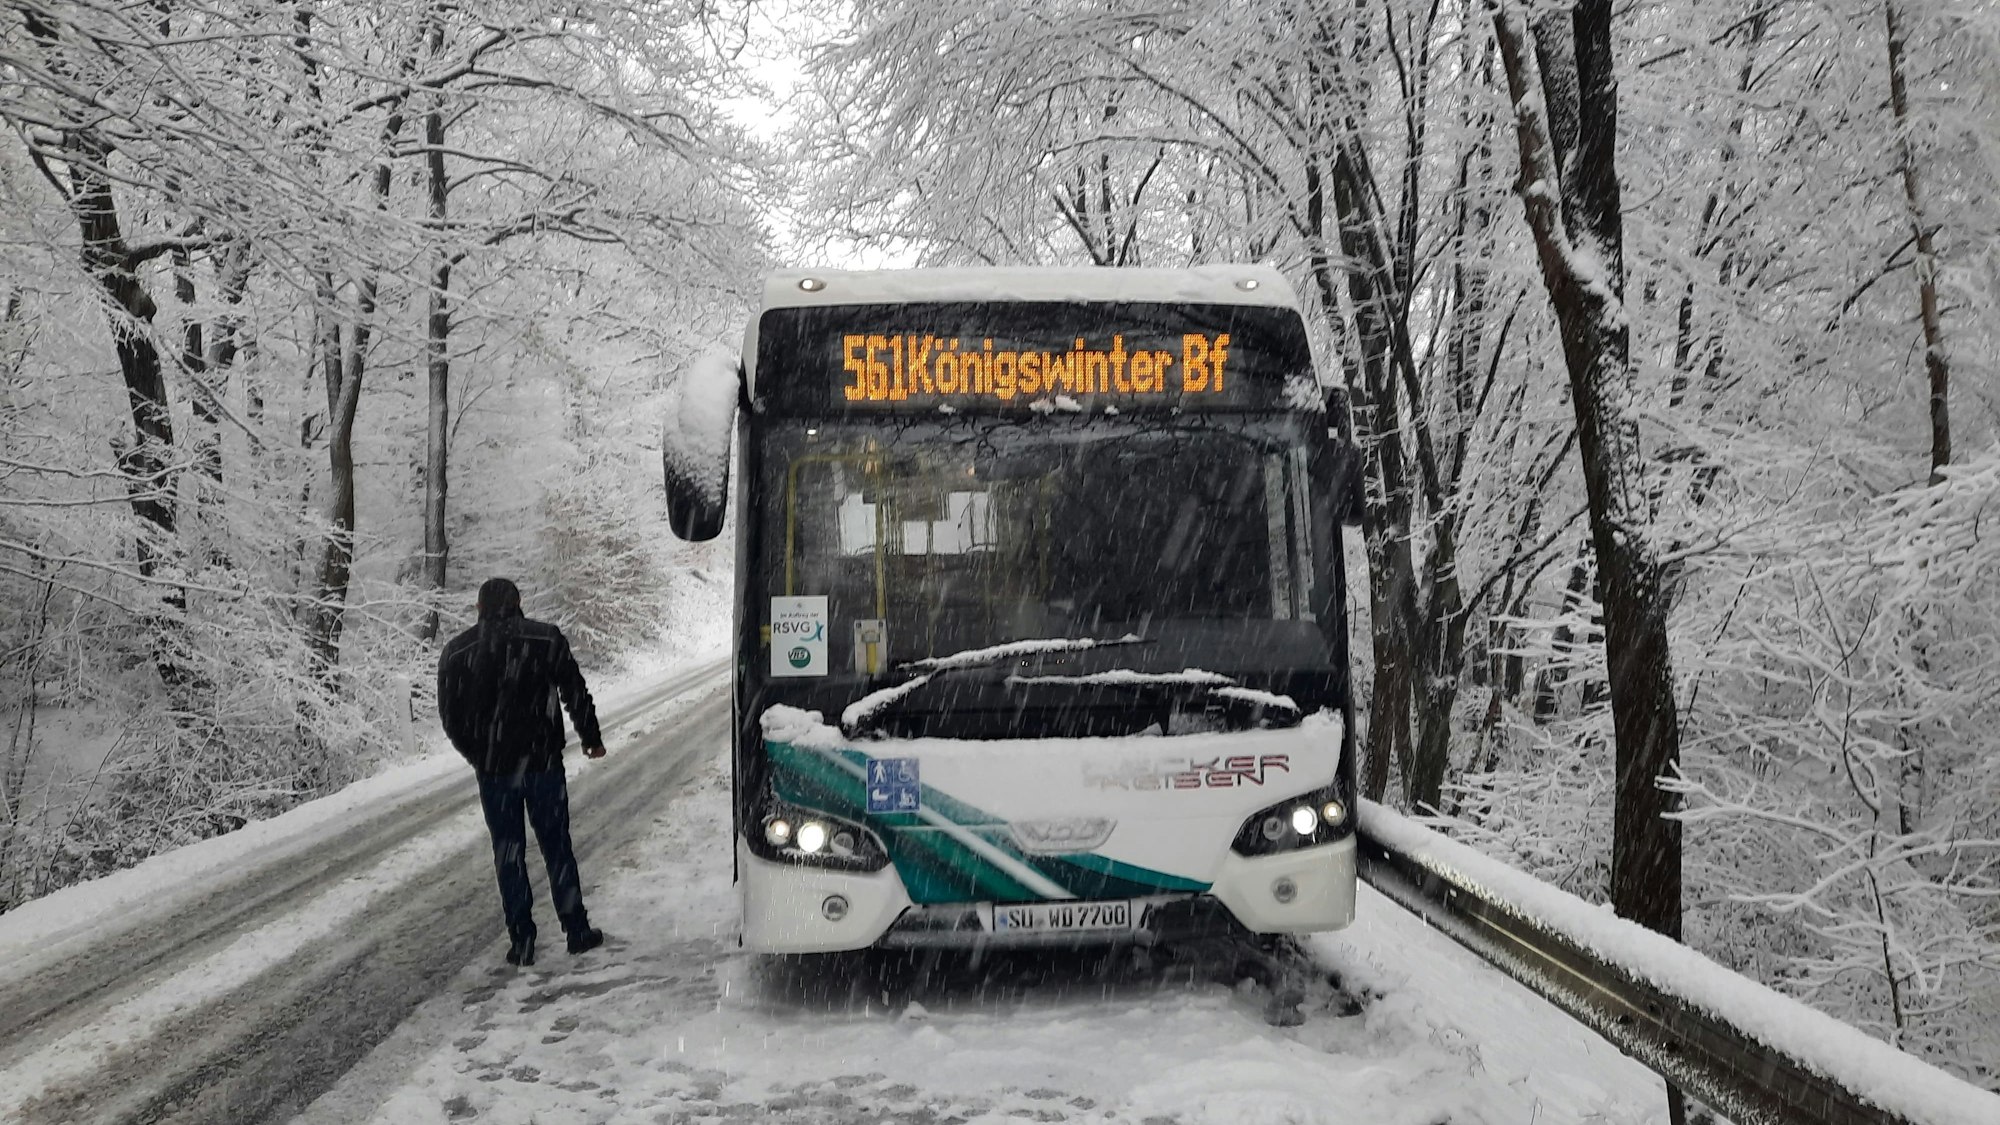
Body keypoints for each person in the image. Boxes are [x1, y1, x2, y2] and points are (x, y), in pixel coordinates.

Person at [438, 577, 607, 966]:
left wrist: (479, 755)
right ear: (518, 602)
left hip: (495, 771)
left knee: (508, 852)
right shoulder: (545, 639)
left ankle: (522, 940)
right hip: (543, 762)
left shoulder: (458, 651)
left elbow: (450, 717)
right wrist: (590, 736)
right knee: (556, 846)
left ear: (479, 608)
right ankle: (576, 930)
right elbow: (575, 691)